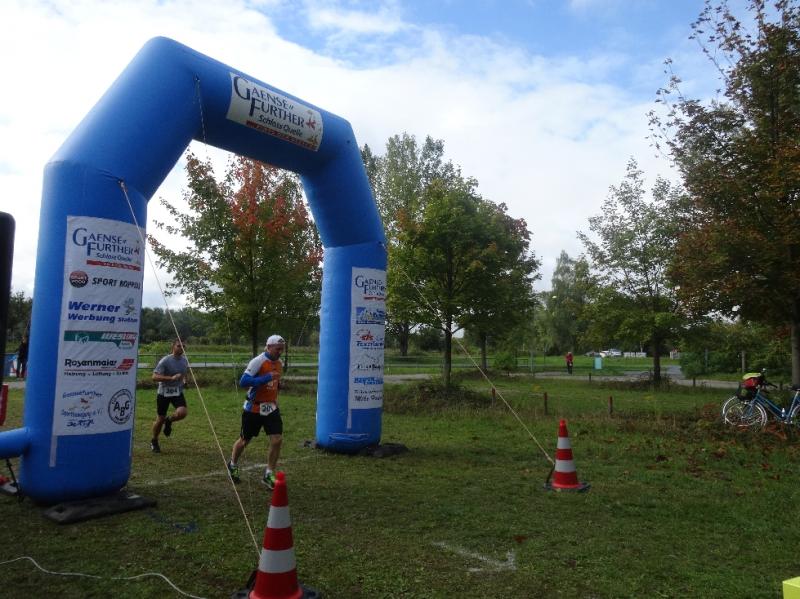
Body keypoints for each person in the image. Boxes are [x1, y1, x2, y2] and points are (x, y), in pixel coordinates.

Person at [228, 334, 285, 489]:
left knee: (277, 439)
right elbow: (244, 381)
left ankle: (268, 474)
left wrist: (278, 385)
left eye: (282, 349)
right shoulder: (258, 361)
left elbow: (274, 381)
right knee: (244, 441)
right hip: (253, 407)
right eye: (278, 349)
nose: (280, 352)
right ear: (269, 347)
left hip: (271, 407)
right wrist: (266, 378)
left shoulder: (279, 363)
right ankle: (233, 464)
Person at [150, 339, 189, 453]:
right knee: (160, 419)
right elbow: (154, 377)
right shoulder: (165, 360)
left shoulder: (184, 360)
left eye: (183, 346)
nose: (181, 348)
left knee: (182, 413)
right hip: (164, 393)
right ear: (173, 347)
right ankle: (154, 440)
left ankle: (169, 420)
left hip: (177, 392)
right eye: (179, 346)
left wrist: (185, 381)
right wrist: (171, 378)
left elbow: (184, 374)